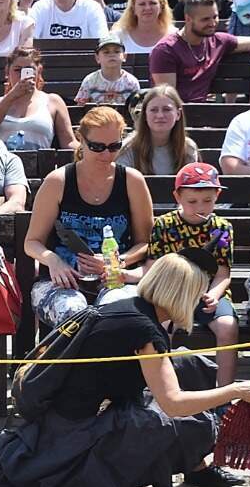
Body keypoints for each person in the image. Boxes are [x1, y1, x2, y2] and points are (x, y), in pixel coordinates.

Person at [0, 255, 250, 487]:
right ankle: (184, 462)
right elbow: (173, 404)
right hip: (76, 429)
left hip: (82, 405)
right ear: (181, 294)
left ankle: (197, 469)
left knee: (191, 364)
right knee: (190, 420)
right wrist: (235, 390)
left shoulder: (131, 308)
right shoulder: (144, 330)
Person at [23, 106, 153, 328]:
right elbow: (32, 242)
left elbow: (145, 243)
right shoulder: (58, 181)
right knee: (75, 315)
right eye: (97, 147)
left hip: (113, 279)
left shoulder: (132, 181)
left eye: (114, 147)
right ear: (81, 140)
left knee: (119, 314)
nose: (106, 154)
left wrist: (118, 260)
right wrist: (54, 261)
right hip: (63, 280)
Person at [149, 162, 239, 387]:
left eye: (208, 201)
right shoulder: (164, 225)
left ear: (217, 196)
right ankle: (163, 388)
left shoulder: (222, 227)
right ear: (177, 197)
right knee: (163, 325)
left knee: (228, 326)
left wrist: (214, 296)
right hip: (173, 293)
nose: (201, 206)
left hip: (208, 293)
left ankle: (224, 393)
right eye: (192, 201)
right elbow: (153, 265)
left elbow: (223, 273)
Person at [149, 0, 250, 103]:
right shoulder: (166, 50)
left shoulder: (218, 41)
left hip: (205, 111)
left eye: (215, 17)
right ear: (188, 19)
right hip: (177, 114)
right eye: (205, 19)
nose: (212, 23)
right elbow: (166, 100)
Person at [76, 40, 142, 108]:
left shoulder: (132, 82)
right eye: (106, 52)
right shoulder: (89, 81)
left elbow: (136, 109)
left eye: (117, 52)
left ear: (124, 56)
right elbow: (80, 108)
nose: (111, 55)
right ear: (97, 58)